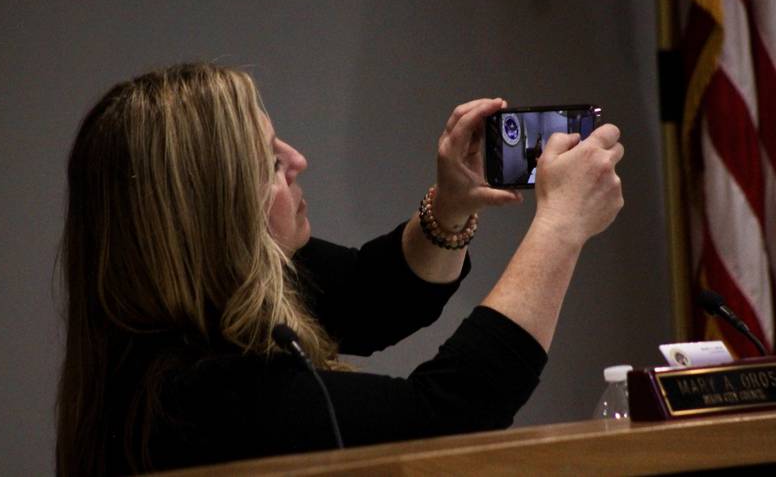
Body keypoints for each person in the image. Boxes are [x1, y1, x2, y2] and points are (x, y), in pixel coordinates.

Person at [56, 63, 624, 475]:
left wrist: (451, 206)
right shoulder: (200, 391)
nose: (298, 161)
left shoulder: (194, 306)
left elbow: (369, 297)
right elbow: (443, 421)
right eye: (270, 163)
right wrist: (560, 229)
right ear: (215, 213)